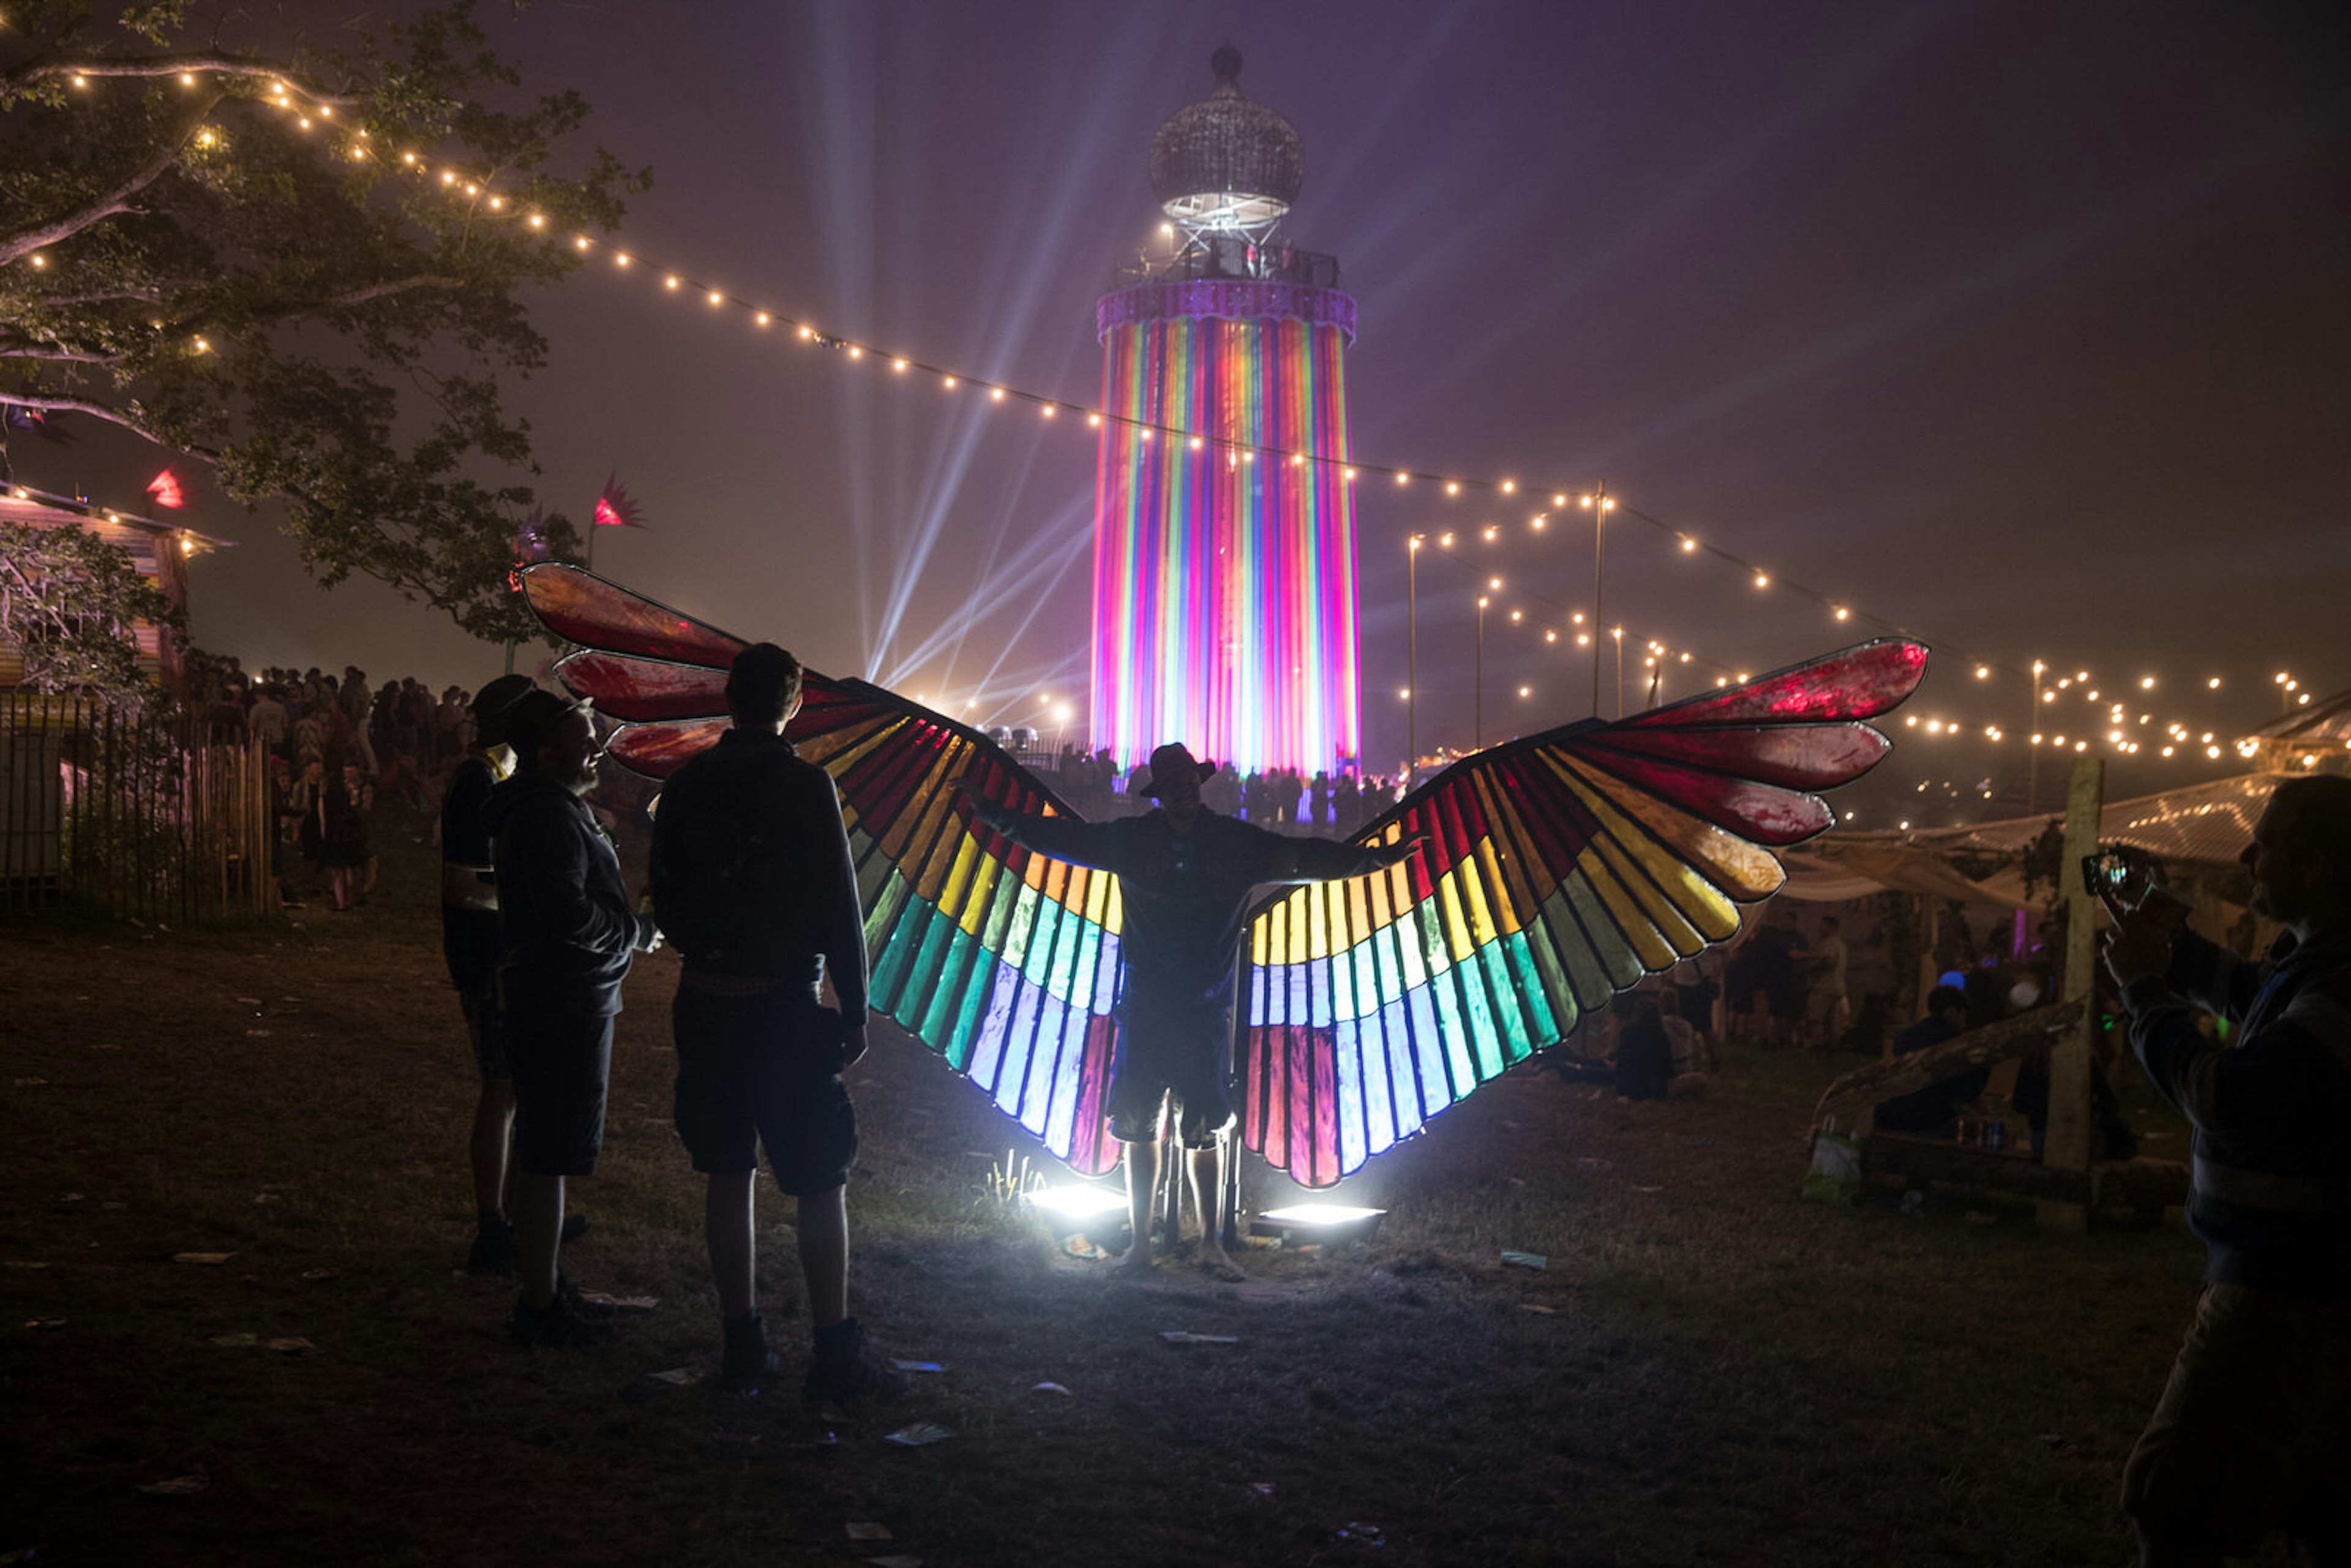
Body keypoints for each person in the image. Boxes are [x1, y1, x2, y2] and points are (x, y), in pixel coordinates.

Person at [962, 742, 1421, 1280]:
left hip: (1199, 1009)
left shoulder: (1229, 842)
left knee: (1205, 1125)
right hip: (1153, 1005)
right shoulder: (1136, 841)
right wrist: (988, 811)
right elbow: (1053, 838)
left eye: (1189, 782)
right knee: (1138, 1125)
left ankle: (1208, 1243)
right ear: (1160, 794)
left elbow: (1311, 858)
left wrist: (1374, 859)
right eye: (1174, 784)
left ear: (1198, 787)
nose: (1184, 792)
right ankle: (1143, 1244)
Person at [2102, 776, 2351, 1566]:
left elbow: (2224, 1095)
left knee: (2177, 1510)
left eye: (2267, 841)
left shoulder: (2343, 986)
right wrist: (2163, 938)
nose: (2247, 854)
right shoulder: (2320, 966)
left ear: (2313, 865)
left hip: (2285, 1296)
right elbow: (2250, 992)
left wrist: (2144, 989)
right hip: (2315, 1287)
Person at [649, 643, 901, 1403]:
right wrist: (853, 1009)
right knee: (819, 1176)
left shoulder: (688, 783)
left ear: (730, 698)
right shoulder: (805, 785)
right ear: (792, 704)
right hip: (785, 1006)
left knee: (726, 1171)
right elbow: (838, 903)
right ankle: (833, 1350)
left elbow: (663, 889)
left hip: (707, 997)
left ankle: (743, 1341)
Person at [486, 690, 660, 1346]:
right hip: (563, 998)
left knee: (544, 1146)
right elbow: (568, 916)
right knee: (549, 1151)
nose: (596, 746)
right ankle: (540, 1304)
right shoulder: (549, 816)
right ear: (544, 748)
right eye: (583, 735)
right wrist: (632, 932)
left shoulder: (547, 809)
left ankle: (545, 1282)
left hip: (559, 994)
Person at [440, 673, 536, 1275]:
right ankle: (492, 1223)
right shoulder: (475, 782)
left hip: (500, 956)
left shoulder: (495, 777)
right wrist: (529, 893)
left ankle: (521, 1213)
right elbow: (462, 882)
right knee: (500, 1090)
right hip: (483, 958)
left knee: (516, 1089)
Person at [1870, 985, 1984, 1136]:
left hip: (1899, 1112)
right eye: (1963, 1015)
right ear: (1952, 1011)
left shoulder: (1906, 1036)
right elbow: (1964, 1091)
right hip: (1934, 1118)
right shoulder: (1956, 1041)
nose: (1965, 1022)